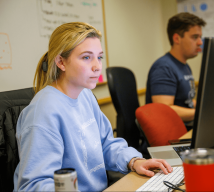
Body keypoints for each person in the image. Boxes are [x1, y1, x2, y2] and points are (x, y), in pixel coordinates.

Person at [13, 22, 172, 191]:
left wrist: (134, 161)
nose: (97, 67)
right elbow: (32, 185)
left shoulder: (85, 95)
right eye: (86, 57)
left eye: (99, 57)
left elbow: (106, 144)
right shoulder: (43, 112)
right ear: (61, 62)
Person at [146, 12, 206, 125]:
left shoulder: (184, 66)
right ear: (177, 39)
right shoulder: (163, 68)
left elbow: (185, 101)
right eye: (195, 37)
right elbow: (164, 110)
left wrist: (205, 106)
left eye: (200, 37)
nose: (200, 42)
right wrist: (201, 112)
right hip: (174, 135)